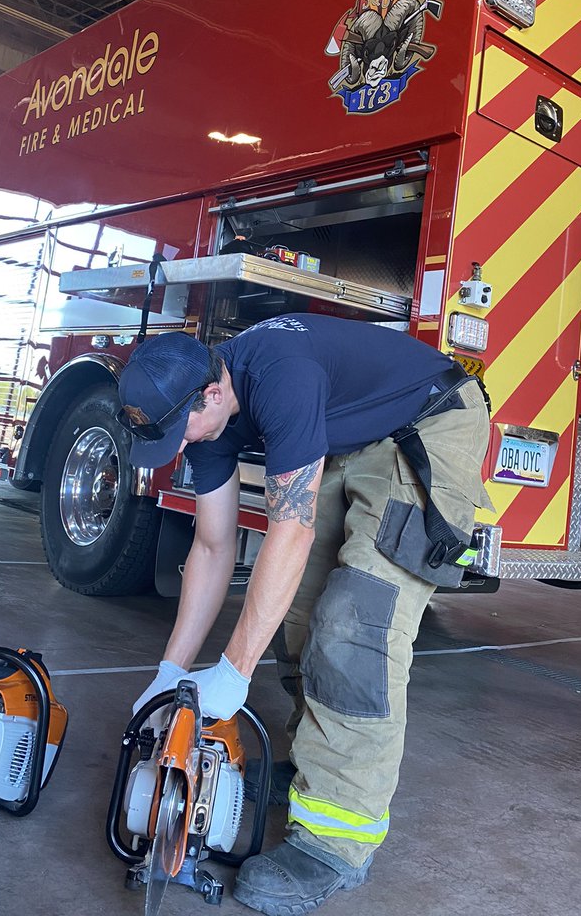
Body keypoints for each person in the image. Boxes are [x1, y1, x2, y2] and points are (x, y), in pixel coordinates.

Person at [117, 313, 492, 916]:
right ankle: (317, 767)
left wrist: (235, 673)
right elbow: (213, 548)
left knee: (354, 625)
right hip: (358, 435)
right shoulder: (209, 413)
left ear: (213, 393)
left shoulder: (278, 375)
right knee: (297, 617)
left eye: (179, 432)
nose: (179, 448)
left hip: (429, 426)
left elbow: (287, 533)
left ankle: (336, 842)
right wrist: (170, 673)